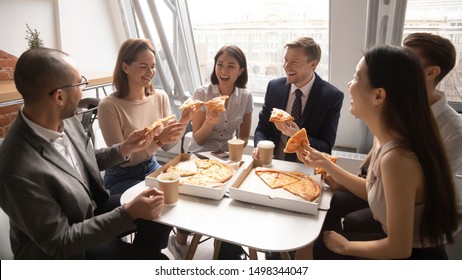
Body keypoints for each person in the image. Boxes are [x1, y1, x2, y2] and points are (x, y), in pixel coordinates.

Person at [298, 33, 462, 260]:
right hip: (404, 245)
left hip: (417, 256)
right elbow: (378, 193)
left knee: (320, 249)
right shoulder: (388, 139)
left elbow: (399, 248)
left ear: (378, 95)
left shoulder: (397, 157)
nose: (349, 84)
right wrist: (324, 162)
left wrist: (344, 247)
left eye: (356, 77)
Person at [0, 47, 171, 259]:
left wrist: (124, 148)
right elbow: (60, 243)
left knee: (161, 210)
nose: (83, 90)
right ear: (59, 96)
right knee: (159, 262)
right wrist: (128, 213)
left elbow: (85, 160)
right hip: (63, 252)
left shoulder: (64, 117)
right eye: (79, 83)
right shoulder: (15, 166)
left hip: (89, 209)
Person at [169, 45, 253, 260]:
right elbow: (197, 139)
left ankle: (227, 248)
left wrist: (234, 151)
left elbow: (244, 136)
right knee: (200, 196)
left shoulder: (245, 96)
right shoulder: (202, 93)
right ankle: (180, 241)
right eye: (220, 65)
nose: (223, 71)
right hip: (200, 155)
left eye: (230, 66)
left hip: (227, 157)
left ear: (241, 70)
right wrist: (209, 122)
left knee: (234, 199)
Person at [98, 38, 194, 195]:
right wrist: (158, 140)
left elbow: (168, 146)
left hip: (152, 167)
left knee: (182, 193)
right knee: (160, 199)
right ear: (125, 67)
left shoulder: (160, 97)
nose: (151, 72)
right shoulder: (108, 106)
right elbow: (122, 158)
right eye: (143, 67)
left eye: (153, 66)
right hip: (122, 176)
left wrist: (184, 120)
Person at [253, 36, 344, 162]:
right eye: (285, 60)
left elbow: (326, 146)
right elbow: (263, 129)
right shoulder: (274, 87)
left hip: (307, 168)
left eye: (294, 62)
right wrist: (260, 146)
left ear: (313, 64)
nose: (286, 67)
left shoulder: (331, 96)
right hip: (273, 164)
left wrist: (299, 136)